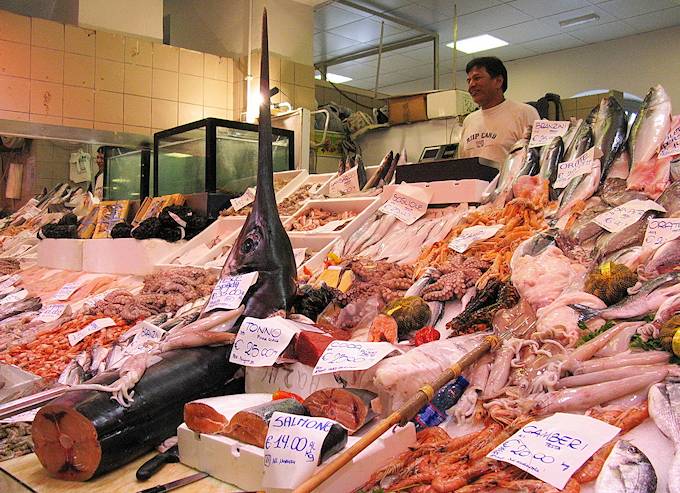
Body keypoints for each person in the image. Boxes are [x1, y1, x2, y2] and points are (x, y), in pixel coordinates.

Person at [457, 56, 539, 166]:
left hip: (513, 183)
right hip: (476, 183)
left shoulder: (525, 113)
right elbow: (462, 164)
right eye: (469, 80)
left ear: (498, 81)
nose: (471, 84)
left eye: (477, 78)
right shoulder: (469, 121)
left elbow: (537, 158)